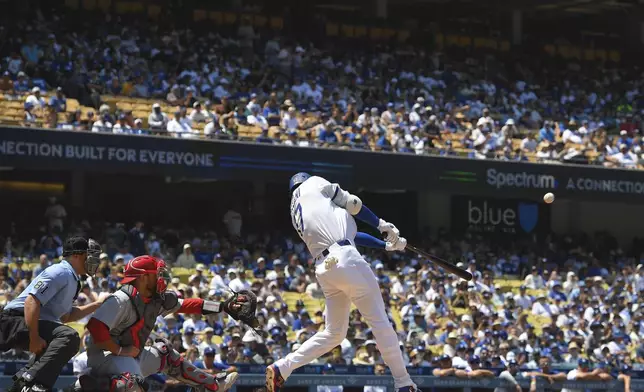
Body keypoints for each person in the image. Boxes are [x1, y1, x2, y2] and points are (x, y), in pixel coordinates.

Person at [265, 173, 415, 392]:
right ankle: (404, 383)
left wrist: (386, 245)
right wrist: (382, 224)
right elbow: (353, 204)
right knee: (380, 322)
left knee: (334, 333)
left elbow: (351, 237)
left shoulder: (298, 209)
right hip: (344, 258)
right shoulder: (313, 182)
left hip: (325, 268)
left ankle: (283, 367)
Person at [79, 255, 246, 392]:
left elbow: (187, 304)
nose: (160, 277)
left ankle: (212, 385)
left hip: (131, 356)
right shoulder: (121, 299)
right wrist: (120, 350)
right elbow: (95, 326)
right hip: (106, 358)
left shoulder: (155, 298)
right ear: (144, 277)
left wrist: (223, 306)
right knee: (132, 384)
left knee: (165, 354)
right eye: (155, 274)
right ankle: (97, 385)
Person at [0, 236, 103, 392]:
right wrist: (34, 337)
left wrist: (97, 305)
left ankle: (21, 386)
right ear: (76, 255)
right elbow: (31, 302)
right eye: (89, 255)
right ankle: (35, 385)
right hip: (14, 320)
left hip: (27, 322)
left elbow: (67, 317)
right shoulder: (61, 271)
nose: (93, 260)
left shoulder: (73, 279)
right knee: (68, 337)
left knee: (53, 346)